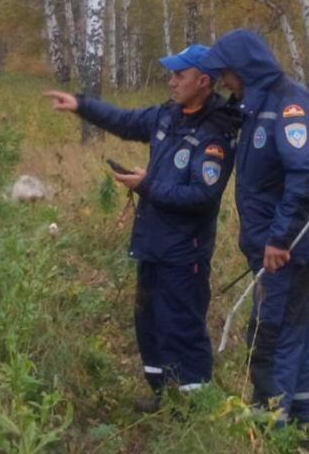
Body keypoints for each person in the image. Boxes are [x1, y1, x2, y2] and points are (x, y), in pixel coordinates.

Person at [43, 45, 239, 412]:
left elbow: (201, 195)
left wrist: (145, 186)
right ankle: (163, 395)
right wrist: (81, 105)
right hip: (152, 244)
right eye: (171, 75)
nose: (171, 81)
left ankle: (194, 409)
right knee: (150, 323)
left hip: (184, 252)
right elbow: (125, 121)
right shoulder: (168, 115)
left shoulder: (215, 134)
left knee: (182, 327)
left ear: (203, 81)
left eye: (179, 76)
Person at [199, 29, 309, 427]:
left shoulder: (288, 106)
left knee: (270, 336)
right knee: (294, 334)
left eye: (226, 73)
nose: (223, 82)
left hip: (289, 251)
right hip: (278, 249)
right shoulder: (257, 106)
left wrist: (278, 239)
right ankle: (303, 419)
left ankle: (269, 429)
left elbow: (306, 175)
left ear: (244, 70)